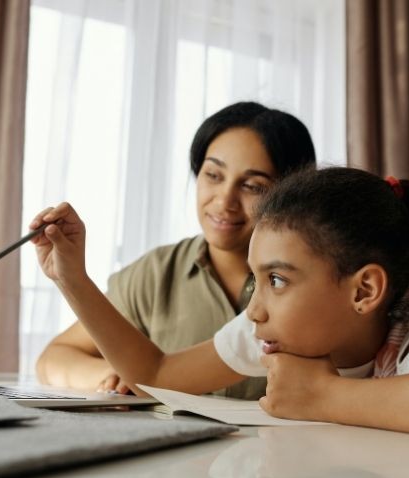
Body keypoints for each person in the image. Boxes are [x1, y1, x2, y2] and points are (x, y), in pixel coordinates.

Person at [30, 167, 409, 439]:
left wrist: (324, 397)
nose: (254, 309)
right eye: (256, 279)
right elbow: (158, 372)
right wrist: (71, 278)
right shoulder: (268, 335)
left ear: (364, 291)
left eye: (277, 280)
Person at [35, 101, 316, 399]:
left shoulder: (311, 285)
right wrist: (113, 375)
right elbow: (55, 358)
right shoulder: (156, 273)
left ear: (291, 195)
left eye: (253, 186)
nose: (224, 201)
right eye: (214, 175)